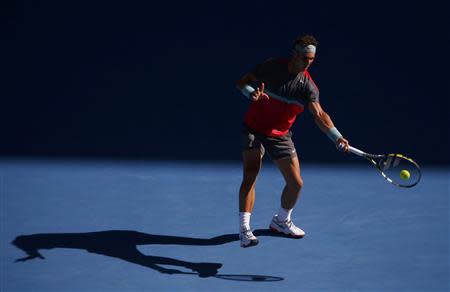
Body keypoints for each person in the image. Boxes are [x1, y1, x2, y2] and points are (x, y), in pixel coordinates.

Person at [236, 35, 350, 248]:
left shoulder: (308, 87)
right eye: (305, 58)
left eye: (312, 60)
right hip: (254, 128)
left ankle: (281, 221)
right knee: (251, 174)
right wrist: (251, 94)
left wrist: (336, 137)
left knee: (296, 183)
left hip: (280, 134)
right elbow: (241, 83)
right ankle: (245, 231)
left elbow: (319, 114)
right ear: (295, 53)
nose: (308, 63)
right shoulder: (270, 67)